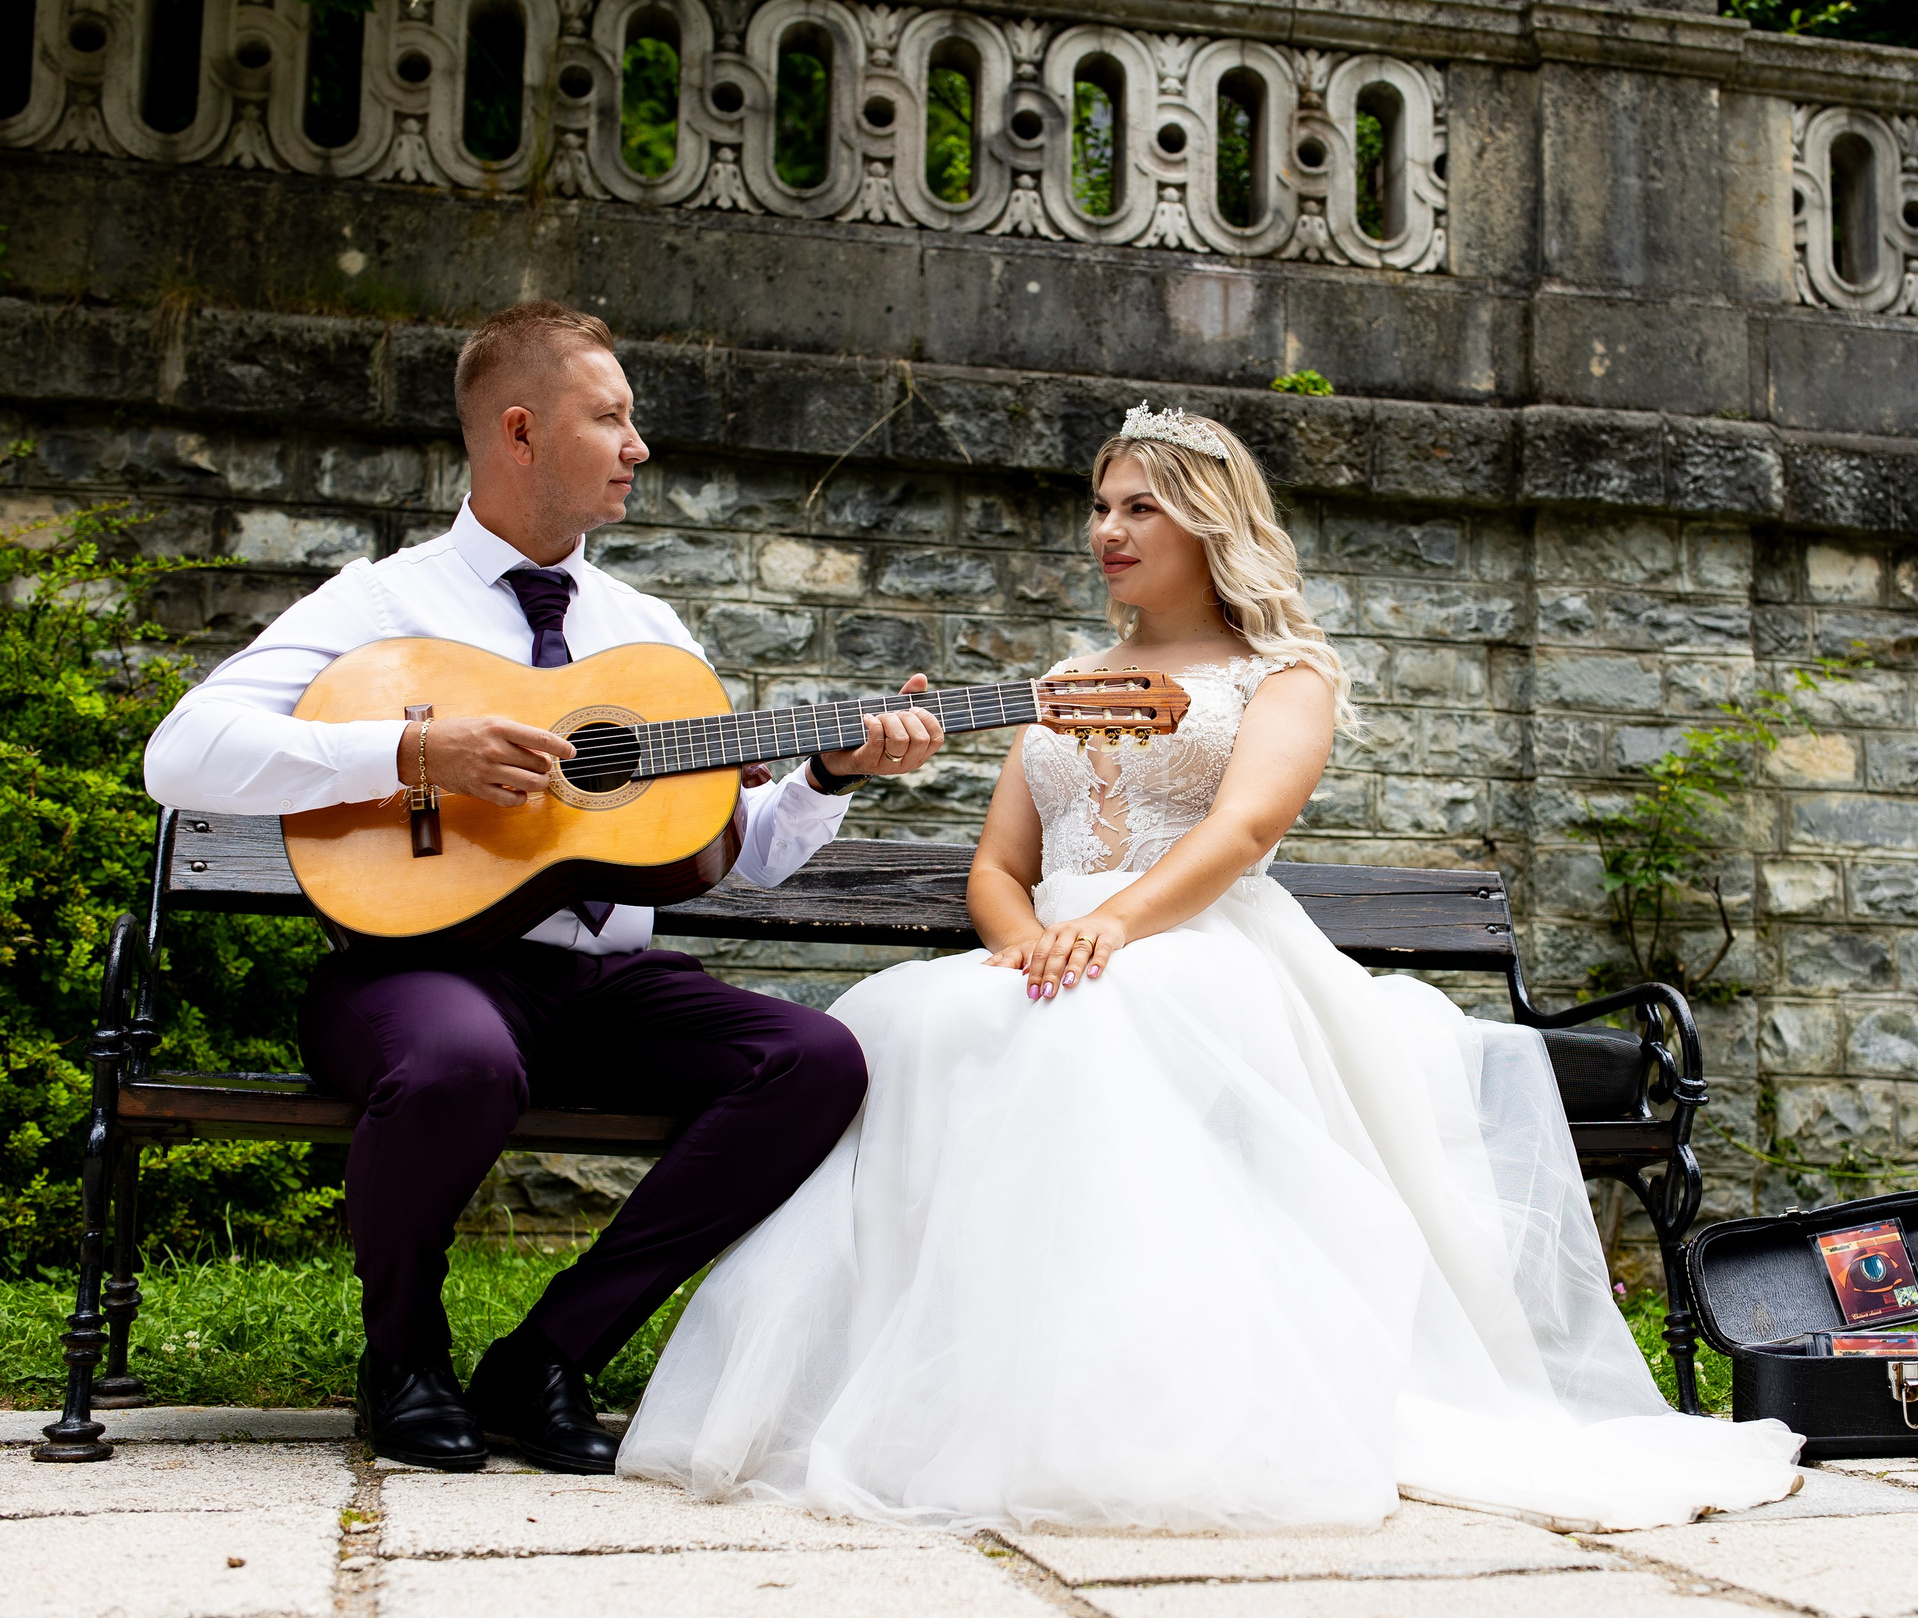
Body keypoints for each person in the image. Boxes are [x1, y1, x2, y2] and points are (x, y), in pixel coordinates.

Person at [619, 404, 1802, 1532]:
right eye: (1101, 506)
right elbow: (998, 863)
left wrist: (1111, 928)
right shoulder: (1061, 681)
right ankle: (929, 1399)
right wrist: (1022, 940)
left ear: (1210, 522)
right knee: (909, 1023)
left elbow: (1240, 830)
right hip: (1050, 950)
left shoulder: (1283, 674)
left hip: (1194, 940)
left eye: (1142, 507)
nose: (1109, 530)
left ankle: (1136, 1413)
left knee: (1108, 1019)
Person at [142, 301, 946, 1475]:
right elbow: (181, 756)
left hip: (601, 989)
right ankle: (403, 1359)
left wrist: (828, 775)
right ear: (520, 431)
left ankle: (548, 1355)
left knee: (813, 1060)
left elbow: (736, 850)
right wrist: (412, 751)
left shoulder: (647, 636)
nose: (638, 445)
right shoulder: (380, 607)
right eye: (609, 418)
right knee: (459, 1058)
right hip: (416, 975)